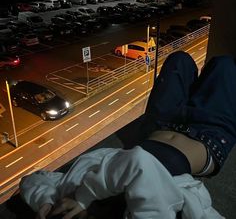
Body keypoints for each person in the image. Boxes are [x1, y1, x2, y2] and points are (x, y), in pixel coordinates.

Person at [19, 51, 234, 219]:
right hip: (209, 138)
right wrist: (84, 198)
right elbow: (138, 163)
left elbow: (33, 180)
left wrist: (45, 201)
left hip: (158, 127)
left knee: (179, 60)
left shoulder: (67, 193)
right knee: (224, 66)